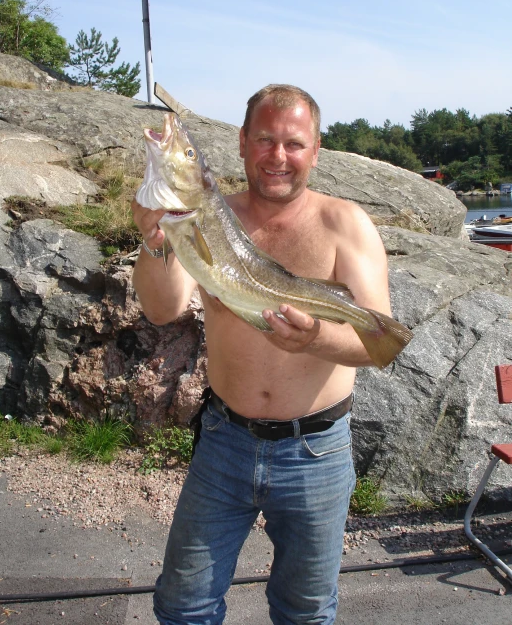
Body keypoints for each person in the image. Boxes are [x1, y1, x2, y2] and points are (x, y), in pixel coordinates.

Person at [131, 84, 393, 625]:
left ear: (315, 150)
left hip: (316, 451)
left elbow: (379, 345)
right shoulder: (204, 217)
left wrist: (315, 338)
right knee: (183, 604)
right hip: (224, 445)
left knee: (305, 611)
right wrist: (154, 240)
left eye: (294, 143)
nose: (278, 156)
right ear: (243, 143)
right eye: (265, 140)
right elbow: (163, 310)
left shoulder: (345, 225)